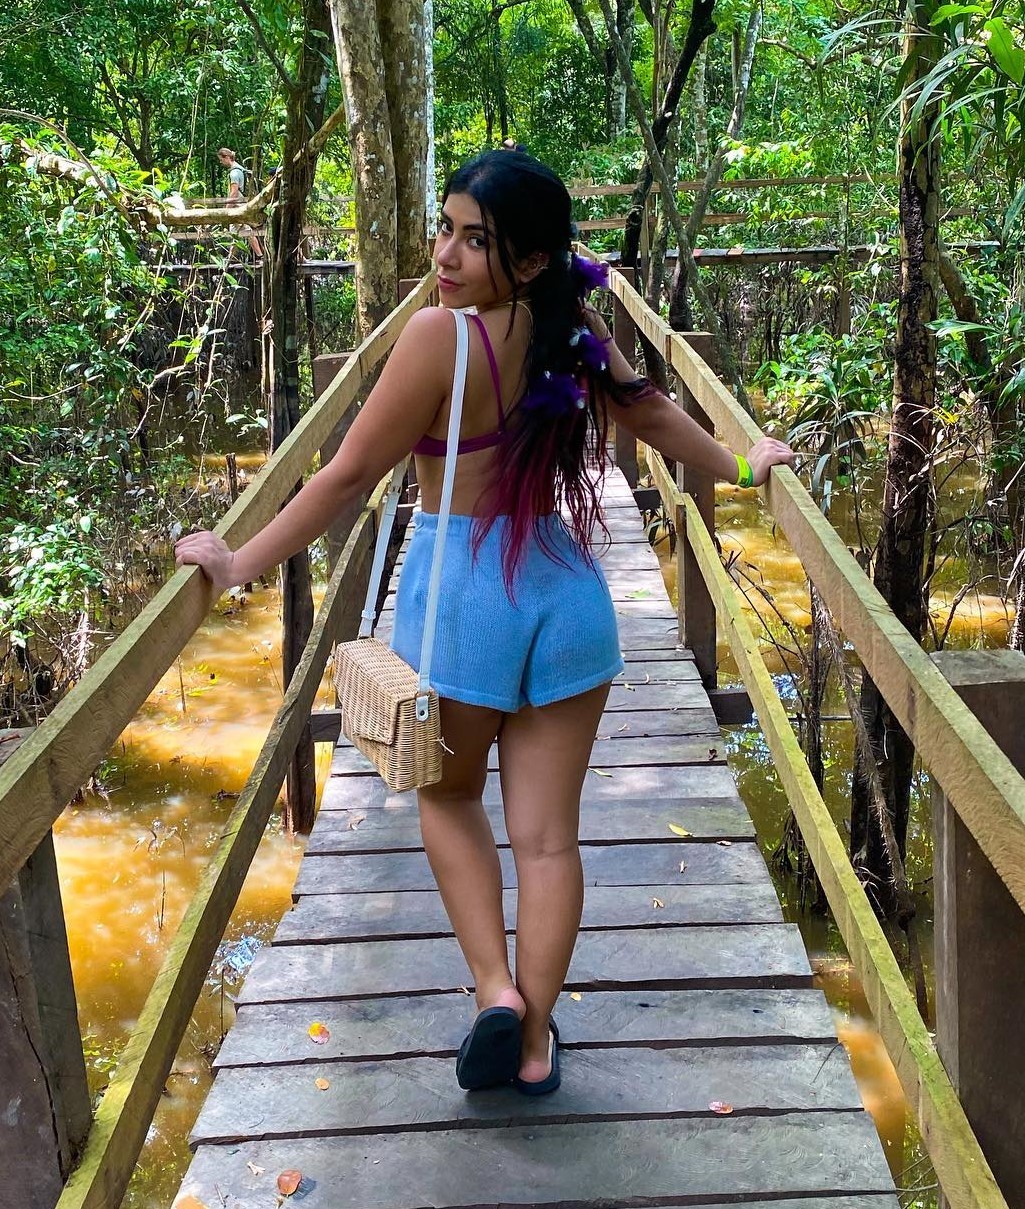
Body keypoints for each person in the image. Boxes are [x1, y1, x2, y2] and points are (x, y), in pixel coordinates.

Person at [175, 149, 794, 1095]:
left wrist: (236, 563)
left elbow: (346, 475)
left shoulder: (438, 337)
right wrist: (744, 464)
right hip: (567, 597)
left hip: (464, 601)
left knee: (450, 798)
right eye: (446, 228)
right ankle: (534, 1040)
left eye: (475, 240)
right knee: (548, 841)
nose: (446, 256)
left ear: (533, 259)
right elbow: (650, 413)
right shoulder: (570, 325)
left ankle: (495, 991)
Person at [216, 146, 262, 258]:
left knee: (245, 229)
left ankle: (260, 255)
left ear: (227, 157)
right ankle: (231, 258)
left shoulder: (234, 173)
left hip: (237, 203)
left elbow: (234, 192)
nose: (221, 163)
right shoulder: (240, 169)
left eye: (221, 160)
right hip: (239, 202)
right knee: (235, 231)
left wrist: (226, 209)